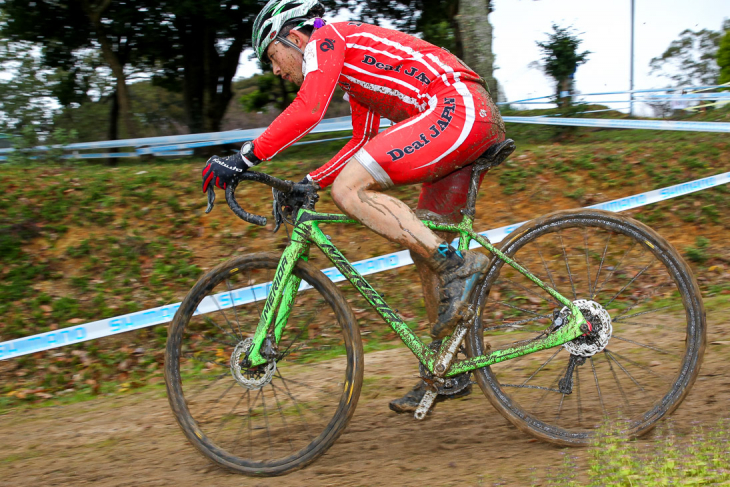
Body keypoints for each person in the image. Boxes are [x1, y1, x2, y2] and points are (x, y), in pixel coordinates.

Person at [201, 0, 506, 413]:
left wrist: (245, 157)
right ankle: (450, 366)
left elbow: (309, 109)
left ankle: (459, 266)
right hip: (460, 117)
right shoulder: (355, 69)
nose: (275, 69)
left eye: (273, 56)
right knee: (426, 251)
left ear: (294, 37)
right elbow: (362, 143)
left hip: (454, 109)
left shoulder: (328, 38)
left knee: (350, 192)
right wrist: (309, 182)